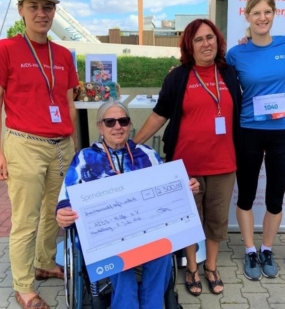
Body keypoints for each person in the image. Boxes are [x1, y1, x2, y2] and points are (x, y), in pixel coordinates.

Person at [0, 0, 78, 309]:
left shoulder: (64, 54)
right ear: (21, 10)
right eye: (34, 6)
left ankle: (44, 262)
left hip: (61, 144)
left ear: (54, 12)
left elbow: (67, 104)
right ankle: (23, 286)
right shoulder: (5, 50)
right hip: (24, 144)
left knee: (55, 209)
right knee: (25, 219)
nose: (42, 13)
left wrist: (74, 147)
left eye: (48, 7)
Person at [55, 101, 200, 309]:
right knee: (121, 266)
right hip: (106, 236)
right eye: (110, 121)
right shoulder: (85, 158)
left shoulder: (146, 154)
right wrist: (62, 213)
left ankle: (152, 304)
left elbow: (167, 187)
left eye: (123, 121)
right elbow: (66, 197)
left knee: (163, 250)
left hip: (146, 231)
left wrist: (185, 188)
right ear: (100, 127)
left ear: (129, 125)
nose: (117, 126)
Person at [133, 19, 241, 296]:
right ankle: (192, 267)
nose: (206, 44)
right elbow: (159, 115)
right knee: (188, 220)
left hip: (223, 163)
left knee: (216, 220)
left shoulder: (229, 73)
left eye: (210, 38)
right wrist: (132, 145)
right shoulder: (178, 77)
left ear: (218, 41)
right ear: (189, 46)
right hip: (185, 165)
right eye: (198, 40)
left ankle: (212, 266)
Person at [226, 0, 285, 281]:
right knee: (245, 195)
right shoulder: (236, 53)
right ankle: (249, 250)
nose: (262, 17)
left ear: (274, 14)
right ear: (247, 16)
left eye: (267, 12)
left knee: (274, 198)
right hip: (249, 131)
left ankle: (267, 248)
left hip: (283, 132)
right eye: (256, 13)